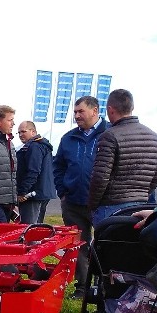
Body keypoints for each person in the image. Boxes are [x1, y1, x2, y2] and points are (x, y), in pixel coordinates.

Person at [53, 96, 109, 299]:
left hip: (103, 203)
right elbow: (58, 166)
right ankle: (82, 287)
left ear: (95, 110)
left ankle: (104, 287)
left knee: (105, 245)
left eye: (80, 111)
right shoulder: (68, 138)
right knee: (79, 246)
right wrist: (63, 191)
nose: (76, 116)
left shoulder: (110, 134)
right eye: (75, 112)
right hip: (74, 203)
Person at [88, 89, 157, 226]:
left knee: (108, 246)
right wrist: (143, 193)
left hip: (111, 206)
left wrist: (92, 204)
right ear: (132, 108)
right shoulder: (154, 137)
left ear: (110, 110)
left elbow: (100, 176)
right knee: (132, 246)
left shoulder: (109, 135)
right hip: (140, 206)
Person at [16, 121, 56, 224]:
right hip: (40, 193)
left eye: (23, 131)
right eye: (19, 133)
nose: (20, 135)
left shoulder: (34, 146)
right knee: (36, 228)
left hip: (32, 195)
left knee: (28, 228)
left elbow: (33, 171)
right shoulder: (41, 145)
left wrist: (22, 191)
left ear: (33, 132)